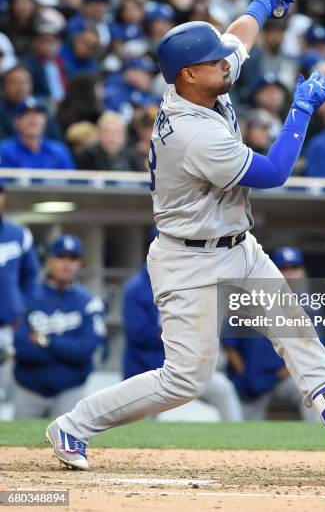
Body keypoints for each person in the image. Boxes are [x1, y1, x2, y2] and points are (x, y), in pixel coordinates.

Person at [46, 0, 325, 476]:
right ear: (189, 74)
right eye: (214, 60)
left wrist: (263, 5)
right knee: (186, 379)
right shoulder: (193, 132)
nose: (227, 63)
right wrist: (301, 111)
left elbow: (238, 37)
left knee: (298, 333)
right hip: (187, 257)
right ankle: (75, 424)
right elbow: (275, 172)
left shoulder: (201, 80)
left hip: (239, 246)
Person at [123, 261, 243, 421]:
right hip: (147, 369)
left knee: (223, 390)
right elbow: (138, 333)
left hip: (186, 368)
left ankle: (238, 443)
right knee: (140, 426)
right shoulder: (136, 288)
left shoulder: (188, 282)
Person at [14, 235, 106, 419]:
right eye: (61, 257)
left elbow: (85, 350)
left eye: (73, 258)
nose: (67, 264)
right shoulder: (28, 297)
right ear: (49, 260)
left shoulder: (88, 302)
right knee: (18, 446)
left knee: (66, 447)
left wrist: (45, 340)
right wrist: (66, 348)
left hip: (70, 392)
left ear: (80, 263)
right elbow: (22, 348)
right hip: (29, 391)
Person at [223, 246, 318, 421]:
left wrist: (277, 376)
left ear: (302, 271)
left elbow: (313, 352)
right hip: (250, 378)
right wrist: (245, 374)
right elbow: (229, 343)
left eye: (294, 268)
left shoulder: (310, 307)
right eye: (283, 269)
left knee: (314, 389)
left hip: (287, 377)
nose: (289, 274)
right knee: (243, 430)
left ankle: (319, 443)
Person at [0, 179, 39, 410]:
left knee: (6, 396)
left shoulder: (18, 234)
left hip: (7, 327)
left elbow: (31, 278)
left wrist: (21, 309)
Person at [0, 98, 74, 170]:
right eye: (26, 114)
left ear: (45, 120)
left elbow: (71, 180)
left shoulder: (59, 151)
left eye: (38, 114)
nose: (33, 118)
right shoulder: (4, 151)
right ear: (17, 122)